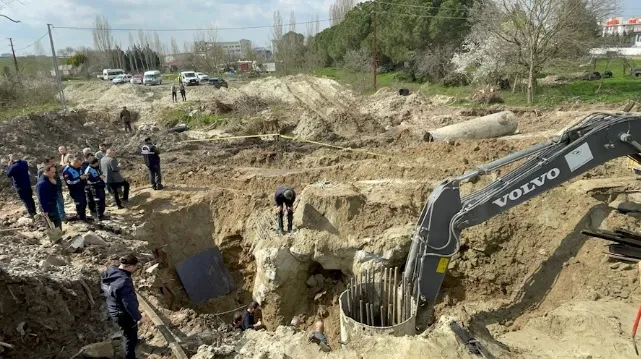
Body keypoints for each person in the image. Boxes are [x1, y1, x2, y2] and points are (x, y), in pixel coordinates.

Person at [100, 254, 142, 359]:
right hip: (122, 314)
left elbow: (104, 288)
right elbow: (128, 304)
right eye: (135, 266)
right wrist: (139, 317)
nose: (136, 269)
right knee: (129, 335)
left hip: (112, 307)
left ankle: (134, 340)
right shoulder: (124, 281)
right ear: (131, 266)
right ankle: (130, 356)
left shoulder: (110, 272)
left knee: (129, 331)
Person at [38, 156, 66, 221]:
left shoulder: (54, 168)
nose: (53, 163)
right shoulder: (42, 171)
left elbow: (57, 178)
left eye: (54, 161)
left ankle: (62, 216)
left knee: (60, 202)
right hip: (50, 191)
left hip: (57, 188)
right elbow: (41, 182)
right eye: (51, 162)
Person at [63, 156, 90, 222]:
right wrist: (79, 179)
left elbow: (81, 175)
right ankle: (80, 217)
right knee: (80, 203)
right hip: (74, 190)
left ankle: (83, 216)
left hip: (81, 188)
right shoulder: (67, 170)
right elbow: (69, 182)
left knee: (84, 203)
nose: (80, 165)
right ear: (74, 163)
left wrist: (85, 177)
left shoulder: (79, 168)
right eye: (79, 164)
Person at [36, 164, 62, 229]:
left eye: (54, 172)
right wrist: (45, 210)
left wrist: (55, 184)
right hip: (48, 208)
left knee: (57, 223)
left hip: (52, 205)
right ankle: (56, 238)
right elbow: (41, 198)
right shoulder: (42, 183)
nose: (54, 174)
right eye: (52, 172)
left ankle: (59, 237)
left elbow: (54, 192)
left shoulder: (50, 179)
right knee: (53, 225)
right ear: (46, 171)